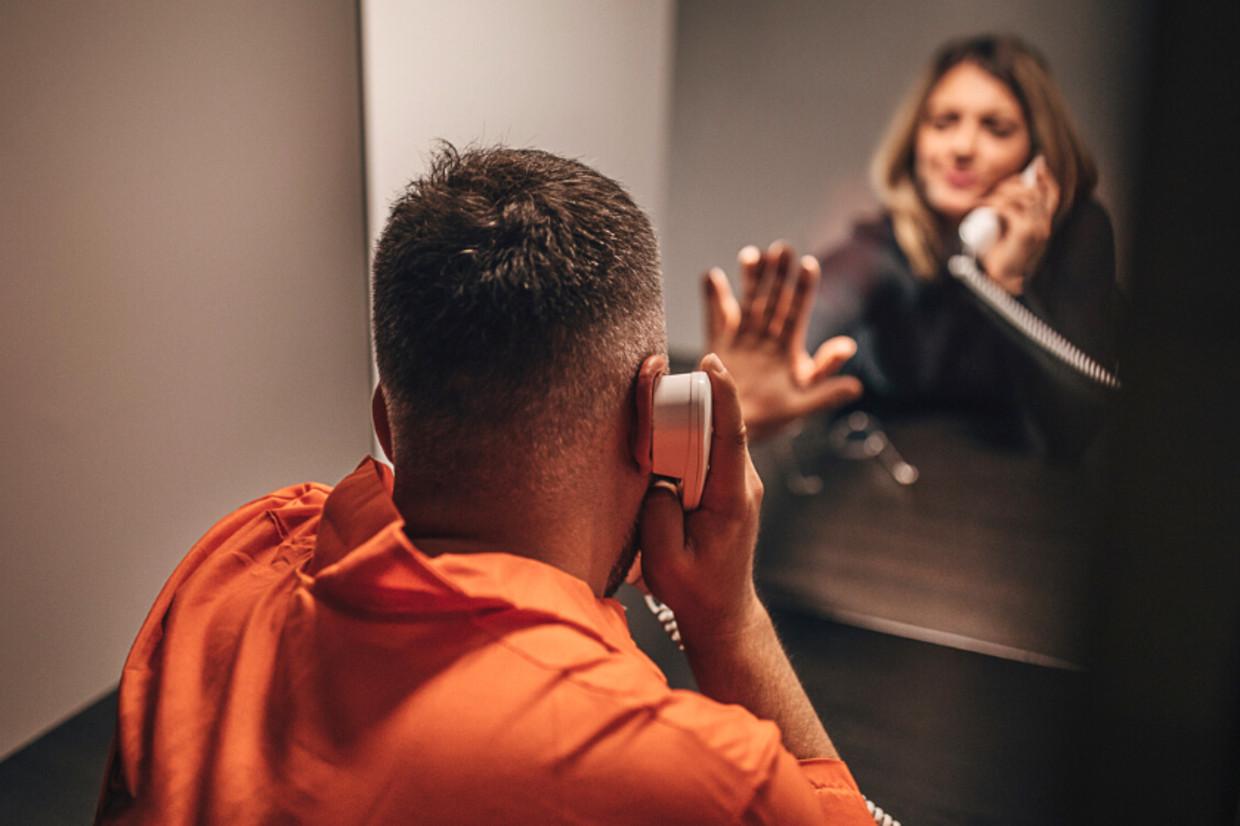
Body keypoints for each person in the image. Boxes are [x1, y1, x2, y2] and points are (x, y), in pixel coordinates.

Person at [93, 144, 877, 824]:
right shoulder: (693, 776)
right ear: (657, 415)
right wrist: (728, 620)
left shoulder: (234, 559)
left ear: (386, 423)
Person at [707, 34, 1120, 459]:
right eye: (943, 122)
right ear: (915, 138)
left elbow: (1073, 432)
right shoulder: (883, 244)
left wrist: (1005, 283)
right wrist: (761, 384)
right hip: (892, 506)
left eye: (996, 129)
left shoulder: (1079, 235)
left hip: (1021, 510)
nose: (961, 148)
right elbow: (831, 299)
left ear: (1038, 154)